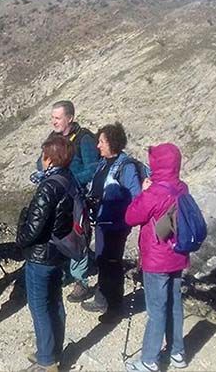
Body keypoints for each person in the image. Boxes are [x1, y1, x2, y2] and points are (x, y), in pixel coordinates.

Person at [124, 143, 190, 372]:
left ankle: (149, 360)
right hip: (178, 255)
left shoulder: (154, 192)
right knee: (174, 305)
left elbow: (131, 217)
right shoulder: (182, 188)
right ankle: (177, 354)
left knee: (156, 309)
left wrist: (143, 191)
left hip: (156, 259)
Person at [17, 135, 77, 372]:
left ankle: (46, 361)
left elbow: (34, 227)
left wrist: (20, 240)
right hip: (60, 251)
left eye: (43, 156)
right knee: (55, 302)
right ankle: (53, 349)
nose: (41, 160)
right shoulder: (68, 179)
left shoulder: (49, 186)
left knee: (39, 306)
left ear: (50, 160)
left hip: (41, 255)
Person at [31, 100, 99, 303]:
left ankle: (80, 280)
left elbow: (94, 167)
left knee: (77, 234)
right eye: (52, 118)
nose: (54, 122)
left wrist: (71, 181)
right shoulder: (53, 138)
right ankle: (62, 271)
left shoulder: (84, 139)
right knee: (58, 233)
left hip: (76, 196)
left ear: (70, 118)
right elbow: (41, 160)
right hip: (57, 195)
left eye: (57, 118)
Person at [80, 122, 142, 323]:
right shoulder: (103, 163)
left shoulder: (127, 167)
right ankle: (103, 298)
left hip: (116, 224)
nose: (98, 146)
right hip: (101, 220)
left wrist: (123, 219)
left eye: (102, 142)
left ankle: (114, 307)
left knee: (112, 263)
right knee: (103, 260)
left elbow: (136, 196)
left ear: (113, 143)